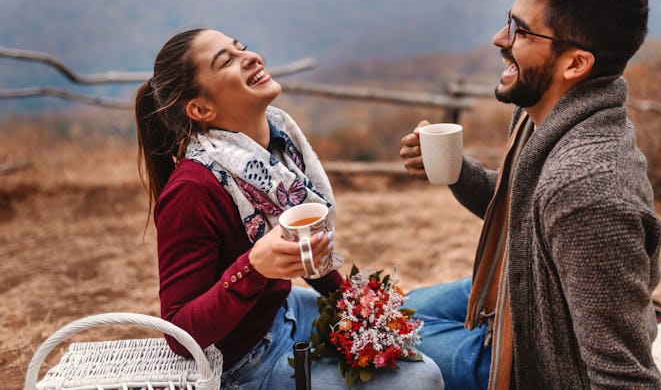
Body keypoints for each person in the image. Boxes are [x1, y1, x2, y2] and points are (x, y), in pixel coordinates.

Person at [400, 0, 661, 389]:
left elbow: (624, 377)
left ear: (576, 63)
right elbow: (522, 209)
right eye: (510, 22)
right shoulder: (539, 111)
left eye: (521, 32)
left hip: (531, 362)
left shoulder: (589, 192)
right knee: (394, 308)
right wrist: (457, 172)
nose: (499, 40)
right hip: (515, 300)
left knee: (380, 335)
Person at [135, 28, 443, 389]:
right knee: (422, 379)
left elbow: (302, 248)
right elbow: (178, 334)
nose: (249, 57)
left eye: (242, 48)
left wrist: (348, 301)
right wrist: (252, 269)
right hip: (243, 364)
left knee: (406, 330)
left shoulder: (275, 147)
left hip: (284, 311)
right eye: (227, 62)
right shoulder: (193, 191)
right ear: (202, 109)